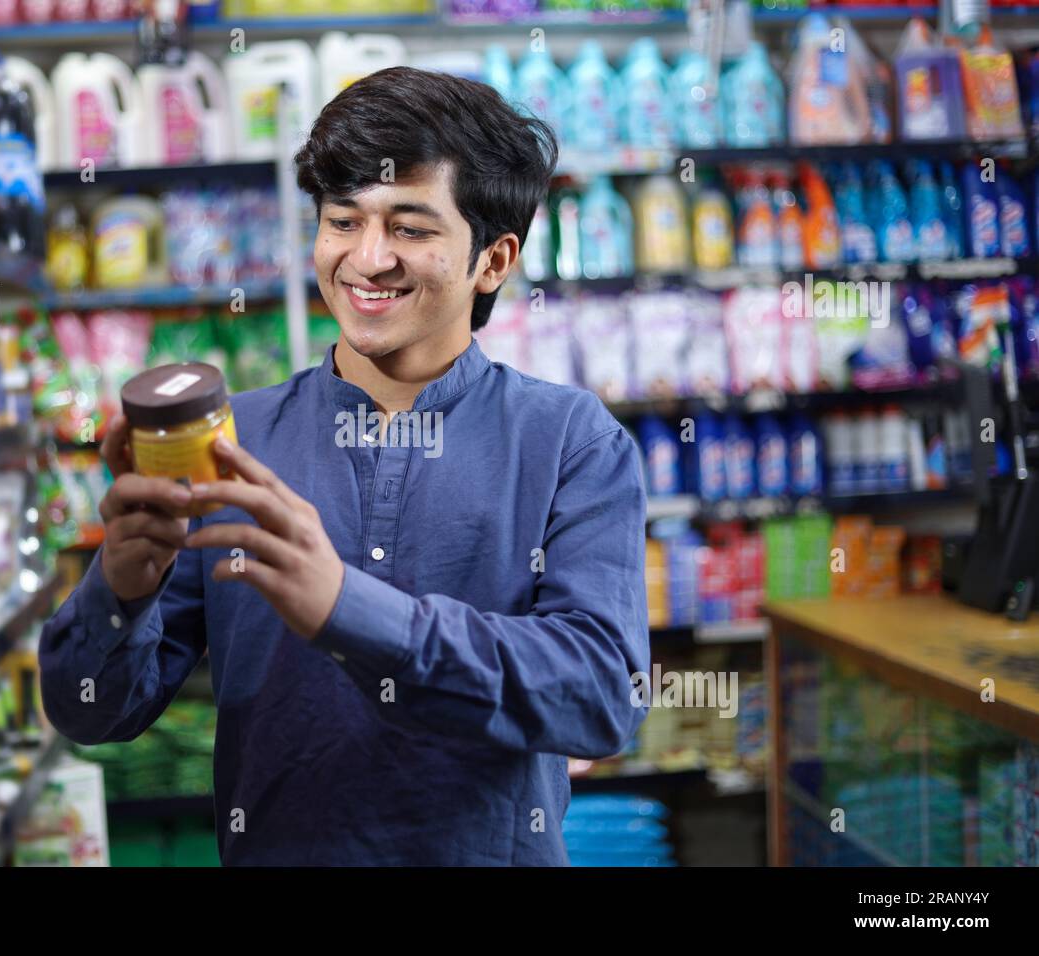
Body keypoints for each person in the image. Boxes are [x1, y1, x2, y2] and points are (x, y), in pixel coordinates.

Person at [39, 66, 650, 865]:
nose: (367, 258)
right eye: (342, 220)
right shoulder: (234, 441)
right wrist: (119, 586)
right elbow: (90, 714)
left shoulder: (572, 441)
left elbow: (602, 695)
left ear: (493, 260)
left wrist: (347, 609)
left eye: (411, 227)